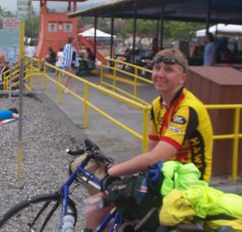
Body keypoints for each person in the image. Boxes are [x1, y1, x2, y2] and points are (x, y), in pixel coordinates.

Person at [84, 48, 213, 230]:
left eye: (168, 69)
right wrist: (132, 176)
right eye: (157, 68)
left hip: (189, 184)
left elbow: (157, 157)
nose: (160, 74)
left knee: (130, 218)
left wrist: (114, 171)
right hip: (164, 176)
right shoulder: (156, 105)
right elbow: (150, 153)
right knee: (96, 205)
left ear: (182, 78)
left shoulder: (188, 109)